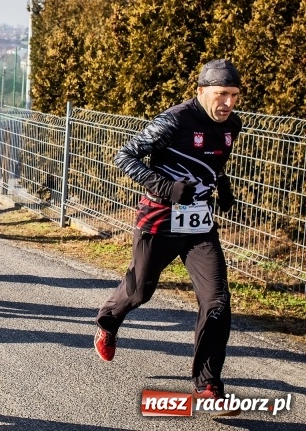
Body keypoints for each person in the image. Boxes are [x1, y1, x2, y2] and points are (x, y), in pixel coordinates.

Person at [94, 59, 243, 415]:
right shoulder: (174, 119)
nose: (228, 103)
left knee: (217, 301)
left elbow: (212, 163)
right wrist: (165, 187)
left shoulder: (232, 125)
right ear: (201, 91)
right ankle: (108, 321)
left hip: (199, 225)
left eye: (234, 95)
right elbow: (124, 156)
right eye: (221, 94)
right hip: (160, 218)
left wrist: (221, 186)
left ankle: (208, 386)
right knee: (140, 289)